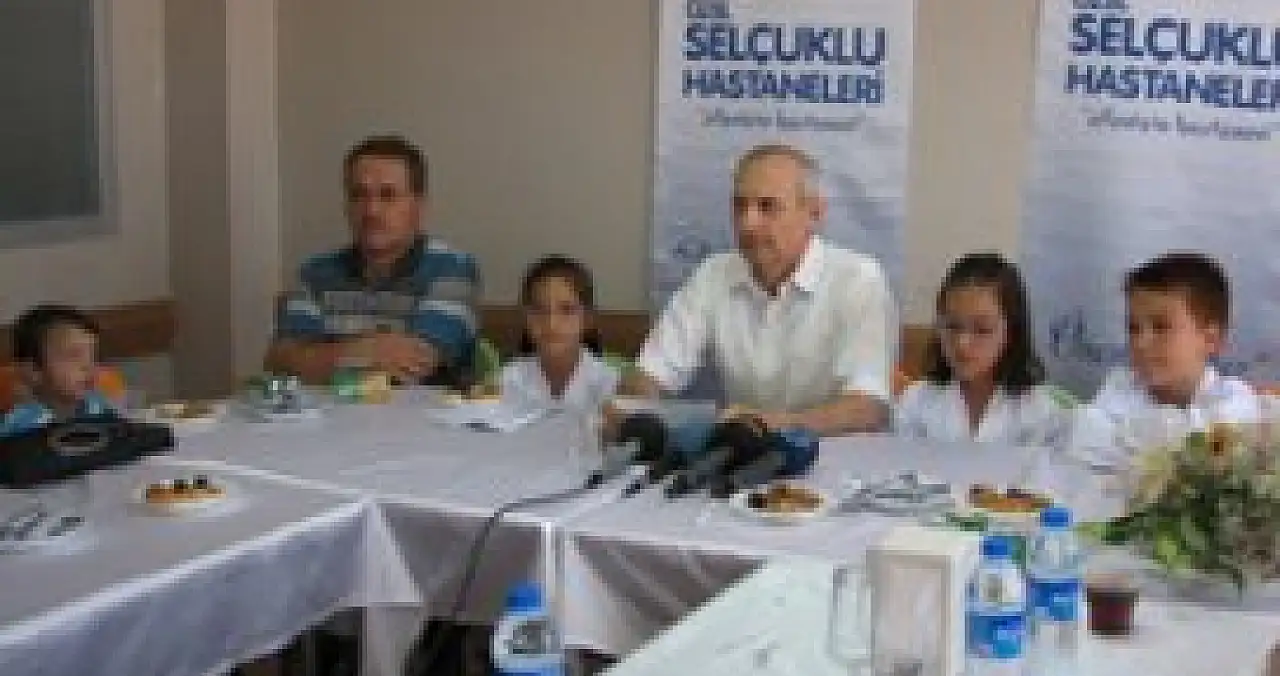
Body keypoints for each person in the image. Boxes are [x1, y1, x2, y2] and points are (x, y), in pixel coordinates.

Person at [629, 143, 895, 435]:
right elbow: (651, 373)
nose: (748, 224)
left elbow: (868, 408)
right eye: (740, 206)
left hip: (835, 456)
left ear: (815, 214)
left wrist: (772, 424)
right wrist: (634, 412)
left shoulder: (858, 279)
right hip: (743, 452)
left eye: (767, 207)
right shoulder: (713, 275)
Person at [267, 134, 481, 387]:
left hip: (421, 412)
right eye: (359, 195)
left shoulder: (452, 268)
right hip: (329, 411)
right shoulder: (314, 273)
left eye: (388, 195)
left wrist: (321, 359)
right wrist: (367, 351)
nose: (371, 210)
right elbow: (281, 364)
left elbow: (417, 361)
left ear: (419, 207)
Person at [1069, 252, 1258, 467]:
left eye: (1161, 327)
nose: (1141, 342)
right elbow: (1087, 450)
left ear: (1210, 339)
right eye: (1133, 328)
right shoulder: (1120, 388)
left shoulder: (1232, 402)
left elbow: (1213, 463)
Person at [895, 252, 1068, 446]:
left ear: (1011, 332)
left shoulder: (1039, 412)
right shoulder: (916, 402)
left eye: (982, 330)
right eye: (952, 326)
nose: (962, 343)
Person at [500, 255, 619, 414]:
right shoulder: (508, 381)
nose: (552, 324)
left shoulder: (609, 385)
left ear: (587, 319)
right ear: (526, 317)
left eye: (567, 310)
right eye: (539, 310)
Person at [1, 304, 118, 436]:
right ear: (32, 371)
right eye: (73, 355)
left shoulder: (98, 405)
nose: (88, 366)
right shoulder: (22, 425)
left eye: (94, 356)